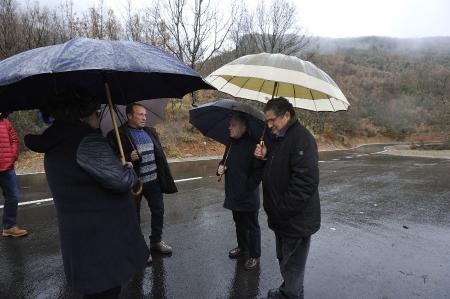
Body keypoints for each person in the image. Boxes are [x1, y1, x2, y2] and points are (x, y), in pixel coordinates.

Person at [24, 94, 149, 298]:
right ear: (81, 115)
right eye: (96, 112)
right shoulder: (86, 142)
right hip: (103, 243)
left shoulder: (56, 143)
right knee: (106, 292)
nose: (97, 117)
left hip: (81, 241)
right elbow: (122, 181)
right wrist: (126, 169)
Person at [254, 97, 321, 299]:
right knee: (285, 259)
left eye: (272, 119)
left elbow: (305, 184)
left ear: (286, 115)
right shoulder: (277, 138)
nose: (269, 124)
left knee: (292, 265)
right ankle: (289, 291)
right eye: (267, 120)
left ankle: (290, 295)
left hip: (294, 219)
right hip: (281, 218)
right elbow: (275, 170)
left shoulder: (302, 139)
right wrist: (264, 156)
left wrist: (281, 210)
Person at [107, 103, 177, 257]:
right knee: (134, 217)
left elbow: (159, 155)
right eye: (140, 114)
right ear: (129, 116)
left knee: (159, 211)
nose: (144, 118)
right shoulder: (117, 134)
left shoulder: (150, 131)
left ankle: (156, 241)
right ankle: (138, 248)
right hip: (134, 183)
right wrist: (126, 157)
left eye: (145, 114)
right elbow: (110, 160)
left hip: (154, 181)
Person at [217, 113, 263, 270]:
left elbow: (258, 172)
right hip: (233, 193)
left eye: (233, 125)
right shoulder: (230, 143)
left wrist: (248, 186)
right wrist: (220, 168)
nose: (229, 127)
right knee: (239, 224)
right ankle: (243, 248)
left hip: (248, 195)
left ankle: (254, 255)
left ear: (243, 127)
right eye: (229, 124)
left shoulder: (255, 145)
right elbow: (224, 161)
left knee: (252, 226)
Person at [0, 112, 28, 238]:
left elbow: (14, 139)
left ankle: (9, 227)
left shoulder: (4, 120)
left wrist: (13, 156)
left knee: (13, 196)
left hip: (7, 166)